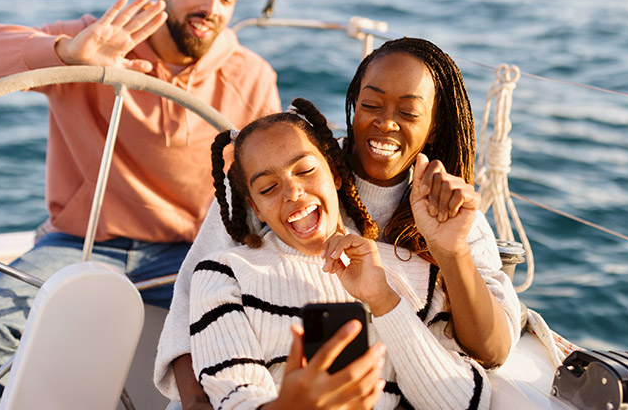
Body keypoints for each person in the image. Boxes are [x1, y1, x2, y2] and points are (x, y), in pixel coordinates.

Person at [0, 0, 281, 409]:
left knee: (265, 329)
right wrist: (67, 55)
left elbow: (269, 179)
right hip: (81, 242)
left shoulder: (251, 77)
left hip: (186, 252)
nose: (212, 9)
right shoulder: (97, 42)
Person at [155, 38, 521, 408]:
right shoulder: (283, 165)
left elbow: (492, 353)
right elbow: (191, 295)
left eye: (408, 113)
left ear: (435, 123)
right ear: (353, 105)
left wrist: (450, 252)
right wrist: (199, 403)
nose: (385, 122)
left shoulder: (448, 219)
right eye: (370, 104)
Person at [189, 98, 492, 409]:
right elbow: (234, 397)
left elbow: (461, 404)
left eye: (305, 170)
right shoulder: (224, 274)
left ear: (335, 174)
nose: (293, 192)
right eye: (268, 189)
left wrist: (383, 300)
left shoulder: (411, 273)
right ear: (256, 208)